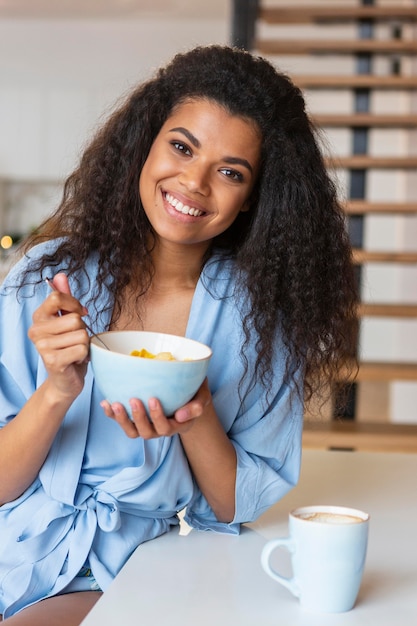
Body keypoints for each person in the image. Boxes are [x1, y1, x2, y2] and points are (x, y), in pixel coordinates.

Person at [0, 45, 358, 624]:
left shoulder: (259, 321)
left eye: (230, 172)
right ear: (147, 144)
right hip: (13, 547)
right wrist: (56, 392)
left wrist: (196, 411)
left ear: (252, 200)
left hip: (136, 569)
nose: (193, 182)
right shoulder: (46, 281)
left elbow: (231, 504)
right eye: (182, 146)